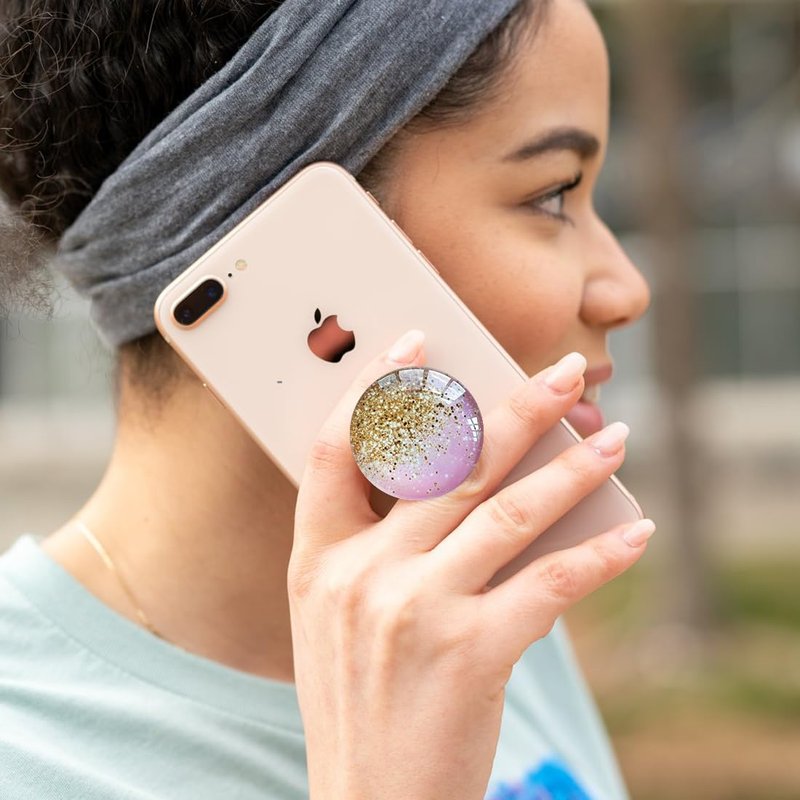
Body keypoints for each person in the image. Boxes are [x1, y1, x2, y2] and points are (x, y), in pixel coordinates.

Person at [0, 1, 654, 798]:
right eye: (553, 195)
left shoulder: (471, 596)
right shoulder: (26, 755)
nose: (628, 289)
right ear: (291, 247)